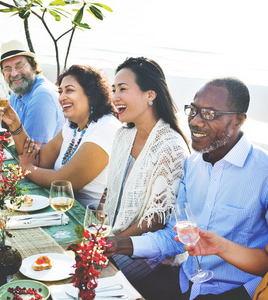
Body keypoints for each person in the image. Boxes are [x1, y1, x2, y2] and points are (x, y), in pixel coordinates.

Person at [104, 77, 268, 300]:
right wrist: (118, 245)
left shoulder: (263, 172)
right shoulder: (192, 165)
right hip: (184, 284)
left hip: (237, 292)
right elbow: (173, 237)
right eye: (193, 110)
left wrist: (223, 248)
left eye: (209, 114)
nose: (195, 121)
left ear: (239, 120)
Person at [101, 57, 190, 283]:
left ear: (150, 95)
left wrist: (112, 242)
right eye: (113, 89)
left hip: (145, 253)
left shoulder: (170, 146)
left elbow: (155, 220)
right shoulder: (123, 135)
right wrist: (98, 232)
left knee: (81, 278)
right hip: (112, 235)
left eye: (123, 89)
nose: (115, 97)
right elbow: (110, 191)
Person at [1, 65, 120, 207]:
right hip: (63, 205)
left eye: (69, 90)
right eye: (60, 91)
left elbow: (63, 183)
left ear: (91, 94)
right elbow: (40, 161)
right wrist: (15, 125)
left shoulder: (105, 128)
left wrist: (27, 168)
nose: (62, 97)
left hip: (91, 217)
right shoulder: (72, 126)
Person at [0, 39, 64, 147]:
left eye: (19, 66)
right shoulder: (18, 93)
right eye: (7, 69)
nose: (14, 73)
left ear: (34, 66)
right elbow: (4, 135)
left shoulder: (42, 95)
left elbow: (32, 152)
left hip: (42, 163)